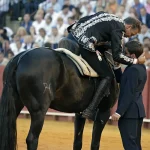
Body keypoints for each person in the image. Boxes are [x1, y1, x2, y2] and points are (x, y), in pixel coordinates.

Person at [67, 11, 145, 121]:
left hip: (72, 35)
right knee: (108, 75)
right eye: (131, 34)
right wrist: (136, 61)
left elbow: (84, 19)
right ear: (129, 26)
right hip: (85, 44)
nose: (128, 36)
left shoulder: (109, 15)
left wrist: (101, 43)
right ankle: (90, 109)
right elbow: (117, 56)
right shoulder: (120, 29)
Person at [112, 41, 147, 150]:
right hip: (136, 111)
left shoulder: (133, 69)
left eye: (125, 53)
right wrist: (117, 67)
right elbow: (123, 81)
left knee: (130, 145)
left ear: (132, 55)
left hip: (129, 113)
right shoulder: (140, 67)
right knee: (135, 144)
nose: (123, 55)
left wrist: (119, 112)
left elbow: (129, 93)